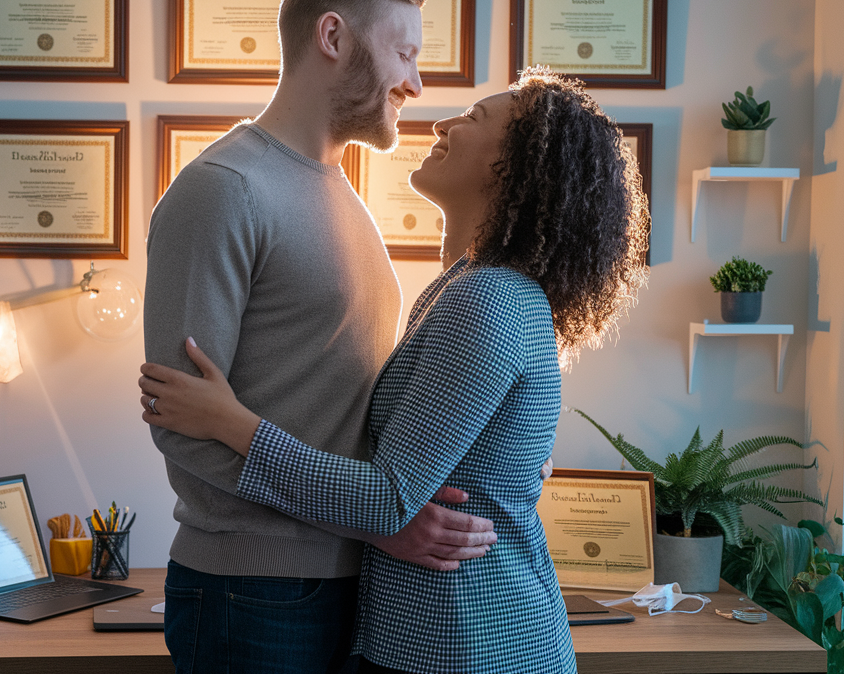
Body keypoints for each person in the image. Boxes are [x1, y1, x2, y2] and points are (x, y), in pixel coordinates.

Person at [140, 69, 650, 674]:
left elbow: (387, 500)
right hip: (443, 638)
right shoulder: (461, 288)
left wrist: (233, 424)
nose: (444, 122)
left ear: (512, 167)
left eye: (475, 118)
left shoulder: (486, 299)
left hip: (473, 644)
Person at [143, 0, 499, 674]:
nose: (416, 83)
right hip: (252, 593)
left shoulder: (342, 195)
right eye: (404, 52)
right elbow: (184, 425)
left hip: (345, 583)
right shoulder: (223, 190)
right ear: (333, 38)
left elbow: (358, 400)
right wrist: (375, 526)